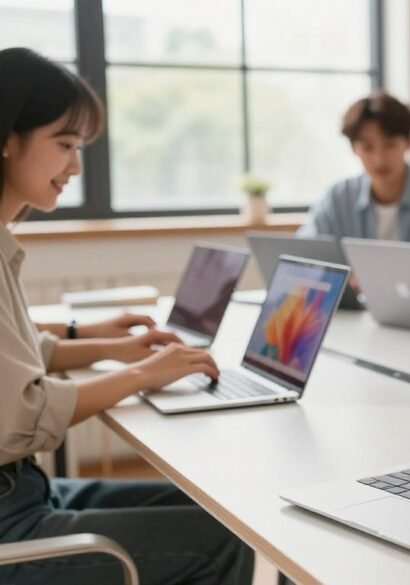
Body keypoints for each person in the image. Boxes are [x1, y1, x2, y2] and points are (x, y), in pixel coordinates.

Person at [0, 47, 253, 585]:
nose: (74, 166)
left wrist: (106, 347)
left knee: (227, 516)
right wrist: (142, 375)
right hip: (10, 522)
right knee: (219, 545)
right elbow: (21, 411)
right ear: (6, 140)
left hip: (21, 491)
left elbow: (19, 358)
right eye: (64, 145)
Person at [298, 90, 410, 246]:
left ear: (409, 141)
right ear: (353, 148)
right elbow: (305, 253)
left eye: (390, 145)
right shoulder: (338, 197)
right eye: (367, 147)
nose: (379, 159)